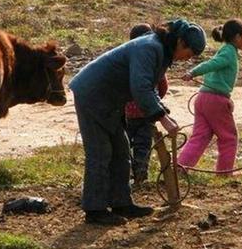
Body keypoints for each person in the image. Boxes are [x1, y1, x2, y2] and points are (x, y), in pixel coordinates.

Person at [69, 19, 206, 226]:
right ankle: (95, 209)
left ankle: (121, 202)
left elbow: (149, 88)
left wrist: (165, 115)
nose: (189, 58)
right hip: (93, 95)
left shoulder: (161, 52)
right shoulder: (149, 48)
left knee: (122, 150)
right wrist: (162, 118)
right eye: (190, 52)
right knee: (100, 152)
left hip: (111, 100)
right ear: (180, 41)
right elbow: (140, 88)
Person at [178, 19, 242, 174]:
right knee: (229, 137)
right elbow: (212, 64)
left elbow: (213, 64)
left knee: (200, 136)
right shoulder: (229, 52)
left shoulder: (225, 50)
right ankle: (225, 172)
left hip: (203, 97)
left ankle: (179, 168)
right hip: (216, 100)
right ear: (237, 37)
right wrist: (193, 72)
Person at [124, 24, 169, 186]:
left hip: (127, 113)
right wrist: (154, 102)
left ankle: (126, 172)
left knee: (125, 144)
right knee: (143, 145)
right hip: (146, 113)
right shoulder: (154, 60)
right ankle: (141, 172)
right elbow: (163, 87)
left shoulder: (127, 59)